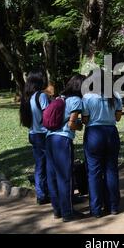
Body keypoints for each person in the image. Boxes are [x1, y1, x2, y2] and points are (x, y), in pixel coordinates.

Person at [45, 74, 85, 223]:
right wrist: (80, 125)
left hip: (49, 139)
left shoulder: (59, 98)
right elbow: (71, 124)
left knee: (53, 176)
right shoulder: (76, 100)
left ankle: (57, 210)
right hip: (62, 140)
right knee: (65, 177)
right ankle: (68, 212)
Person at [82, 70, 122, 218]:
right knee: (111, 170)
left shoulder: (87, 97)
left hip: (94, 133)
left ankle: (96, 209)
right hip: (111, 133)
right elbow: (118, 118)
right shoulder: (115, 96)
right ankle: (113, 206)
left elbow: (85, 120)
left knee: (94, 172)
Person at [19, 69, 50, 205]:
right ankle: (50, 192)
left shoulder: (26, 97)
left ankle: (41, 194)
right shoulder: (41, 96)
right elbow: (48, 117)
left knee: (39, 166)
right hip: (43, 135)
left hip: (33, 134)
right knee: (49, 165)